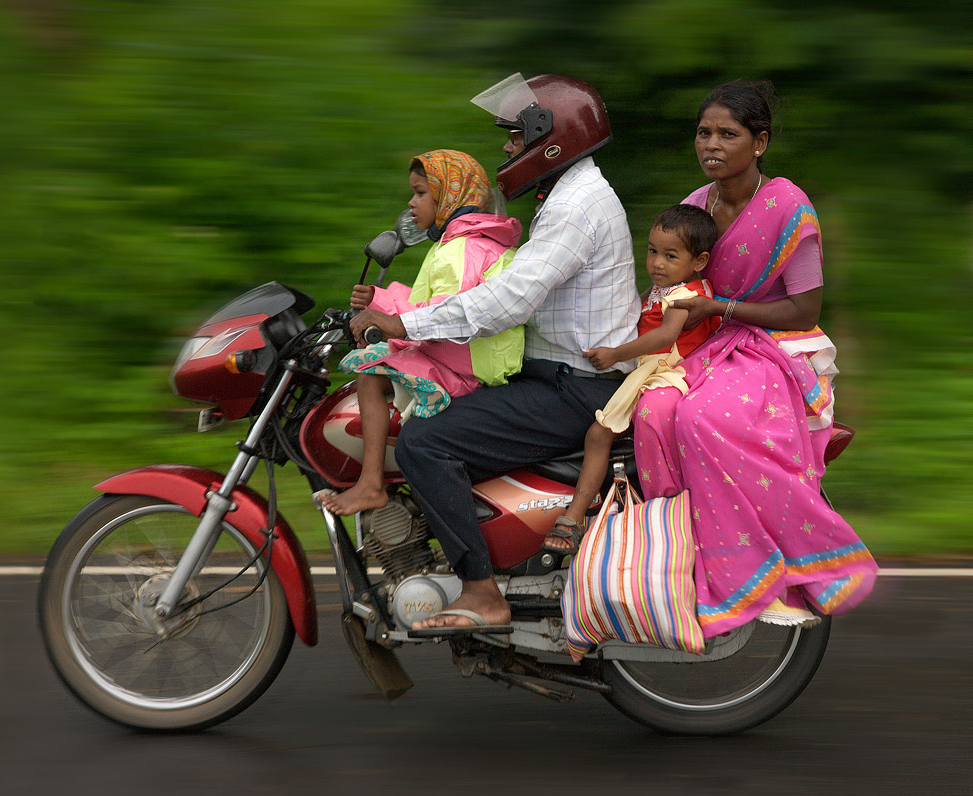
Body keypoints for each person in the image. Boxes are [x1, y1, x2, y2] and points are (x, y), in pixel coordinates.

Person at [349, 74, 641, 633]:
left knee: (426, 442)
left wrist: (401, 321)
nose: (507, 149)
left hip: (576, 387)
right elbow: (492, 297)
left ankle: (483, 594)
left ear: (550, 139)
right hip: (556, 375)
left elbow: (508, 300)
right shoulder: (568, 197)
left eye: (514, 138)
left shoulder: (578, 205)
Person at [630, 79, 878, 637]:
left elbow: (803, 308)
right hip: (701, 343)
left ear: (759, 143)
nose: (711, 144)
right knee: (650, 416)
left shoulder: (789, 208)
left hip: (769, 346)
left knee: (701, 419)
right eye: (703, 132)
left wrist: (723, 307)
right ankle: (675, 568)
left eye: (727, 134)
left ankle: (763, 572)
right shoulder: (696, 205)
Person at [319, 149, 524, 517]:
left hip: (464, 366)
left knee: (368, 371)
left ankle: (370, 484)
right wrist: (378, 302)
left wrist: (381, 319)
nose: (411, 203)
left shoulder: (461, 249)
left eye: (420, 193)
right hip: (467, 359)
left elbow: (442, 319)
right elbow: (425, 307)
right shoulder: (470, 244)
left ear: (449, 195)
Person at [543, 204, 719, 554]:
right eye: (653, 251)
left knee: (599, 432)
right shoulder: (663, 289)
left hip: (665, 372)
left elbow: (664, 336)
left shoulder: (687, 296)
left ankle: (575, 518)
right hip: (649, 369)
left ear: (698, 261)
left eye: (670, 256)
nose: (657, 263)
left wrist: (614, 353)